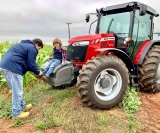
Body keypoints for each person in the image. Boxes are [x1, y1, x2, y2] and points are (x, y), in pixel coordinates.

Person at [0, 39, 44, 119]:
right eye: (39, 48)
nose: (38, 50)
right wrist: (38, 72)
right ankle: (16, 113)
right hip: (13, 68)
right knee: (17, 91)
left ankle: (23, 106)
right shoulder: (32, 48)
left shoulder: (22, 45)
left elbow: (26, 63)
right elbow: (31, 64)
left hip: (4, 66)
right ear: (37, 45)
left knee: (15, 89)